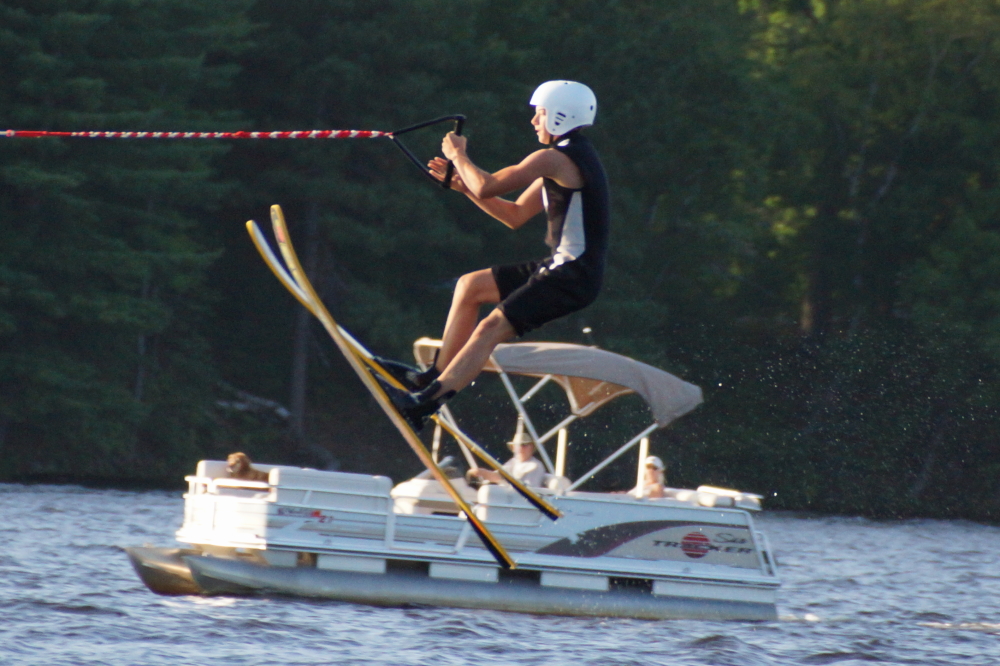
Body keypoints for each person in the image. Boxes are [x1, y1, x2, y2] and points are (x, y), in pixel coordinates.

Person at [380, 81, 610, 430]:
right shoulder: (565, 157)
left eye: (540, 114)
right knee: (471, 286)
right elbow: (514, 214)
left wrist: (459, 155)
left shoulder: (554, 158)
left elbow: (489, 184)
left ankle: (426, 403)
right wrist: (464, 188)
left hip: (572, 276)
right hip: (561, 267)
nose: (534, 121)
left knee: (490, 327)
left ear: (562, 116)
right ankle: (431, 377)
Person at [468, 435, 547, 488]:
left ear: (532, 448)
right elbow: (499, 476)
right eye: (517, 445)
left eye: (524, 445)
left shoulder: (536, 465)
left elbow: (530, 490)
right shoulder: (513, 462)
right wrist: (481, 472)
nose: (520, 448)